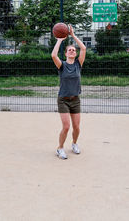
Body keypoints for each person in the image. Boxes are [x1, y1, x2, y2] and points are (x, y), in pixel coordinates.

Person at [51, 25, 86, 159]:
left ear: (75, 53)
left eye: (73, 50)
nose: (72, 51)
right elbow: (53, 55)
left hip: (75, 99)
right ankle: (60, 148)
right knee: (66, 127)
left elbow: (83, 48)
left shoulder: (78, 64)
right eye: (69, 50)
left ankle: (74, 143)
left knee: (76, 127)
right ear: (66, 53)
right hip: (63, 100)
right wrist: (60, 39)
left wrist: (73, 35)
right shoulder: (62, 65)